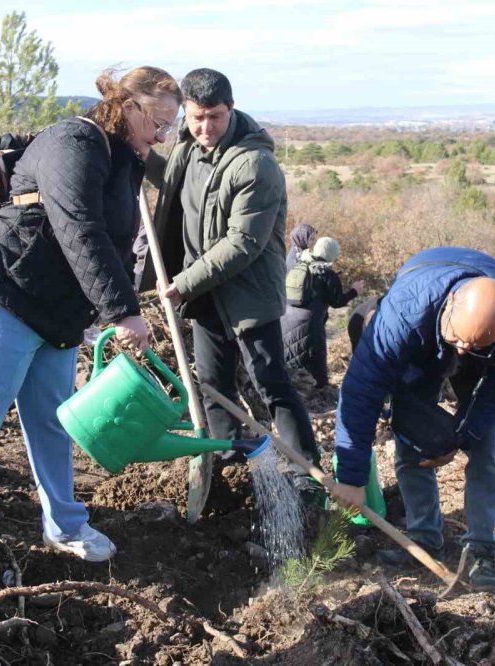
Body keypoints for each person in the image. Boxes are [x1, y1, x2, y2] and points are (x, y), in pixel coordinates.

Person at [0, 67, 182, 575]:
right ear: (127, 106)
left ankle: (66, 523)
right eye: (158, 122)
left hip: (57, 307)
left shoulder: (126, 162)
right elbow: (80, 229)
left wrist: (117, 308)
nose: (162, 135)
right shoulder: (74, 141)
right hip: (3, 287)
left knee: (54, 418)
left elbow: (119, 247)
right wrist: (121, 312)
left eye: (171, 127)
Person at [138, 68, 321, 474]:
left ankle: (305, 469)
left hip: (247, 295)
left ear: (231, 109)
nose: (206, 126)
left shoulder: (256, 164)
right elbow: (172, 183)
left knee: (270, 383)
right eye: (197, 116)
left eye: (215, 116)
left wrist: (181, 285)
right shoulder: (190, 146)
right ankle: (230, 460)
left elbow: (243, 243)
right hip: (205, 295)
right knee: (212, 387)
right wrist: (136, 153)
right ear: (186, 111)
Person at [330, 247, 495, 592]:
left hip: (486, 356)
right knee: (410, 433)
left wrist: (463, 437)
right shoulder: (402, 314)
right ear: (452, 304)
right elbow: (360, 390)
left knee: (487, 448)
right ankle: (423, 540)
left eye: (469, 346)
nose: (460, 351)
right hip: (425, 339)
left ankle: (482, 551)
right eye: (458, 340)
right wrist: (351, 477)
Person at [281, 236, 362, 389]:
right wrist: (354, 291)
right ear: (332, 255)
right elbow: (337, 302)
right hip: (311, 328)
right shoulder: (327, 274)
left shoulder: (299, 265)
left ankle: (296, 392)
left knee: (290, 364)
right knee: (317, 371)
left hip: (286, 322)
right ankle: (320, 398)